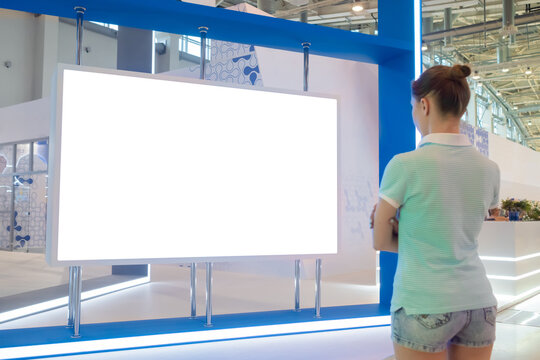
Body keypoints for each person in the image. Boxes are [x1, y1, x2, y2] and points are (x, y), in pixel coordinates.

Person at [370, 64, 500, 360]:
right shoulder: (490, 170)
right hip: (478, 304)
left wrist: (399, 230)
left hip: (422, 304)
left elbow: (380, 241)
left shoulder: (404, 165)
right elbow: (457, 231)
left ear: (424, 105)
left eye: (413, 106)